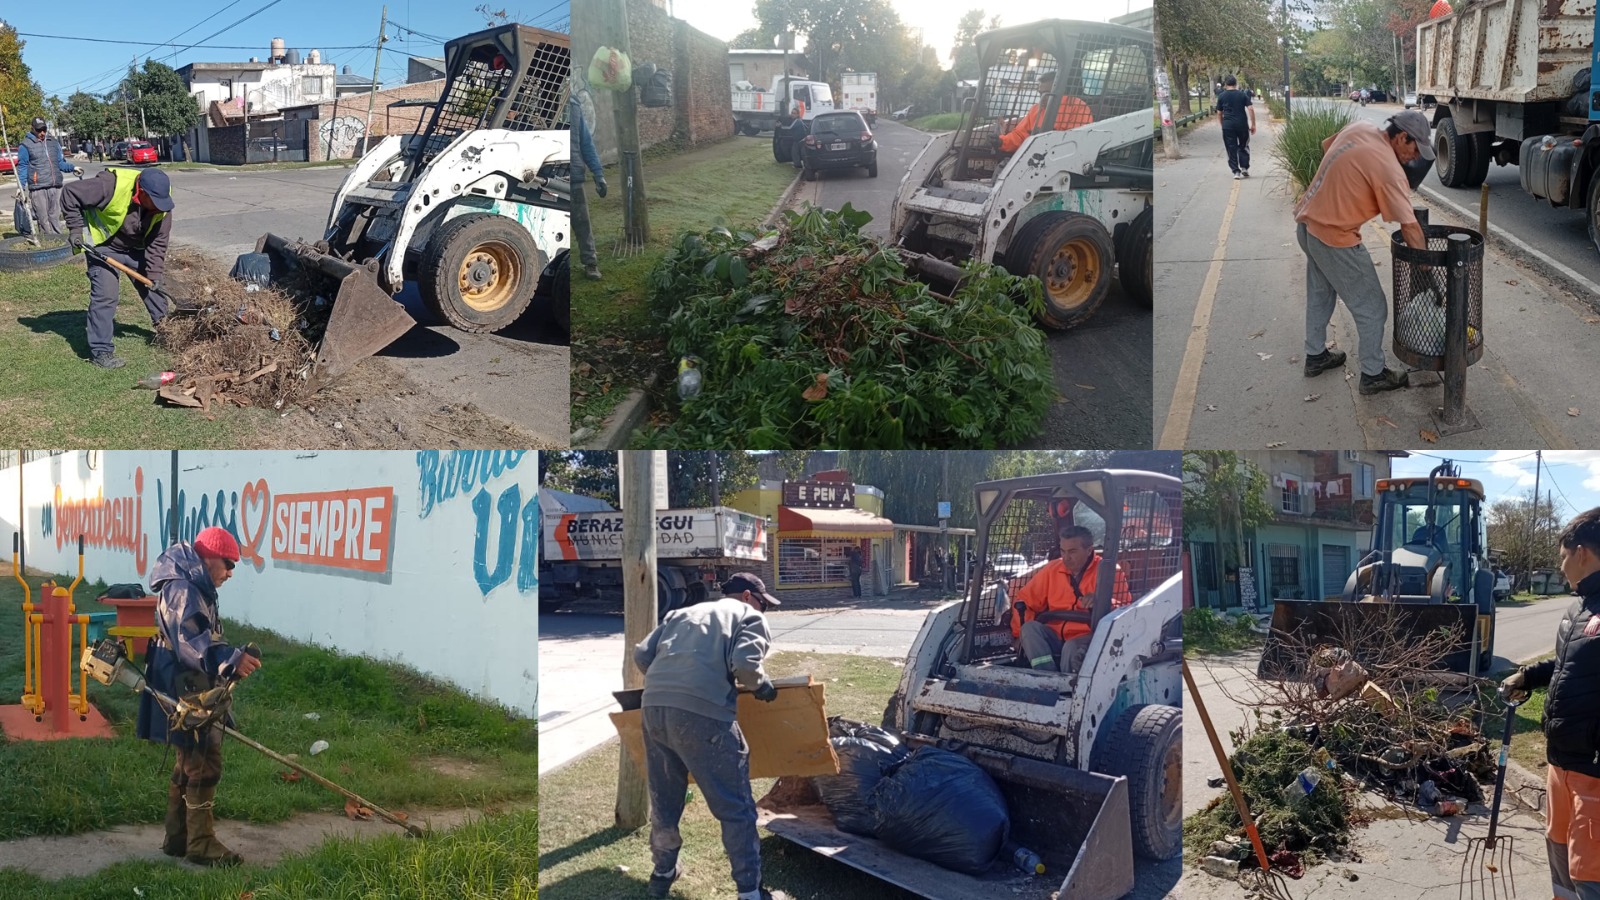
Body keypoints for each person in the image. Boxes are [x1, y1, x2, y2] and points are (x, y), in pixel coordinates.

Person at [633, 573, 790, 900]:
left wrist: (675, 680)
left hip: (654, 710)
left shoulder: (682, 612)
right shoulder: (749, 616)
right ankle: (750, 892)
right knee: (735, 808)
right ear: (747, 596)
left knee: (664, 799)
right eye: (763, 604)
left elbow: (643, 656)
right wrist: (761, 686)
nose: (764, 610)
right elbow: (745, 665)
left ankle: (662, 873)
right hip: (703, 716)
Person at [134, 527, 259, 867]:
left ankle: (178, 838)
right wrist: (230, 660)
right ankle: (200, 844)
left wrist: (229, 658)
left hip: (183, 678)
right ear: (208, 557)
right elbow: (192, 642)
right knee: (203, 760)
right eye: (228, 563)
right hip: (183, 681)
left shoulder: (190, 584)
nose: (230, 573)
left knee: (188, 758)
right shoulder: (184, 589)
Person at [1294, 110, 1432, 395]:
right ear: (1402, 137)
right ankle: (1373, 374)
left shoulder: (1360, 127)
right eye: (1415, 149)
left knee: (1320, 294)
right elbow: (1410, 228)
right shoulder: (1390, 170)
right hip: (1334, 238)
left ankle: (1315, 356)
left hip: (1307, 225)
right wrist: (1426, 268)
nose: (1415, 157)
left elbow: (1328, 148)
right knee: (1372, 308)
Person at [1500, 507, 1600, 900]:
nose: (1560, 567)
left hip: (1593, 770)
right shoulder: (1578, 608)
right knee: (1559, 851)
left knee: (1590, 871)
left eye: (1562, 557)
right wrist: (1527, 676)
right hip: (1560, 761)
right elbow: (1566, 663)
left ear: (1582, 554)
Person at [62, 166, 175, 369]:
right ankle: (101, 351)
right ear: (142, 192)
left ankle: (168, 332)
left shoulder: (163, 203)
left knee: (154, 287)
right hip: (104, 246)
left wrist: (155, 273)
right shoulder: (110, 186)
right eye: (155, 203)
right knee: (105, 296)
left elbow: (158, 242)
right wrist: (76, 229)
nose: (159, 208)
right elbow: (70, 193)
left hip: (136, 248)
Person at [1009, 525, 1132, 673]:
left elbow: (1125, 610)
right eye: (1063, 551)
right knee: (1029, 629)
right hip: (1055, 635)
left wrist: (1101, 602)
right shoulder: (1052, 570)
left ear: (1089, 550)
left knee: (1071, 647)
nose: (1066, 558)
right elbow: (1025, 600)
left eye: (1072, 551)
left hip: (1089, 638)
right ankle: (1045, 675)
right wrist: (1019, 635)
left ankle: (1066, 685)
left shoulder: (1109, 572)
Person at [998, 69, 1093, 154]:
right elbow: (1020, 136)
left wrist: (1047, 136)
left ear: (1060, 90)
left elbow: (1077, 139)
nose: (1042, 98)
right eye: (1040, 93)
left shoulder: (1077, 107)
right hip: (1034, 156)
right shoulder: (1036, 109)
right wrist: (1002, 142)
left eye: (1047, 93)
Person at [568, 81, 607, 281]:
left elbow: (586, 143)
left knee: (582, 223)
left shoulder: (574, 106)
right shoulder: (542, 103)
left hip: (573, 175)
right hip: (546, 173)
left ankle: (590, 263)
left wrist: (598, 174)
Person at [16, 117, 83, 234]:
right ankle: (47, 241)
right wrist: (20, 186)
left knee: (55, 217)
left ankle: (58, 239)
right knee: (43, 219)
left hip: (55, 186)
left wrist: (73, 168)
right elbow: (23, 167)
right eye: (39, 130)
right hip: (38, 187)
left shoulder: (54, 142)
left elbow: (60, 163)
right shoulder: (25, 145)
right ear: (32, 129)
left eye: (44, 129)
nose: (42, 133)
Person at [1215, 75, 1256, 179]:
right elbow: (1251, 109)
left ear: (1225, 84)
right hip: (1242, 125)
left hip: (1228, 125)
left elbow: (1219, 113)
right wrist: (1253, 124)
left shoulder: (1222, 96)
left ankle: (1236, 171)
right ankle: (1244, 167)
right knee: (1243, 145)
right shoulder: (1242, 95)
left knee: (1230, 147)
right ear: (1235, 84)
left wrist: (1222, 124)